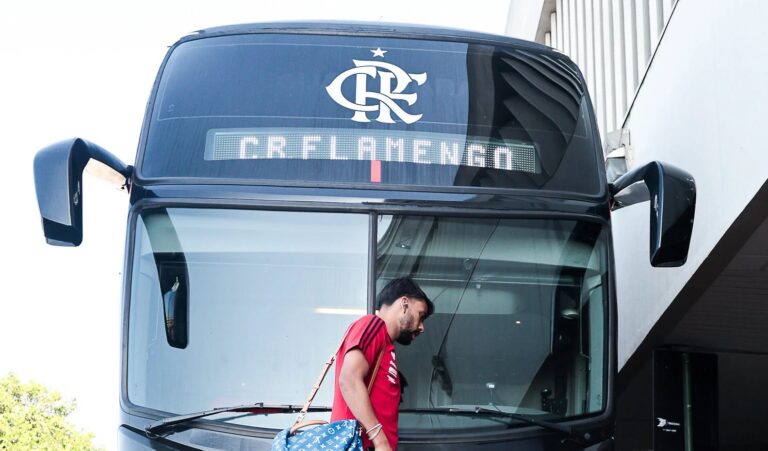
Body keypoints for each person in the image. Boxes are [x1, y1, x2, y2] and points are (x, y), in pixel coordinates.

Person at [330, 277, 434, 451]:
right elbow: (349, 379)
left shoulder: (386, 345)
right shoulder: (374, 325)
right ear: (404, 303)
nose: (422, 327)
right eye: (420, 315)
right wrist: (380, 441)